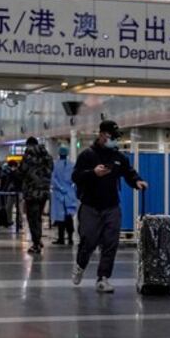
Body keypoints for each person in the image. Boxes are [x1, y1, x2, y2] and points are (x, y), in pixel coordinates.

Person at [72, 120, 148, 293]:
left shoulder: (118, 157)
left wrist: (137, 181)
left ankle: (103, 278)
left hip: (112, 206)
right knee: (89, 241)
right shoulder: (87, 155)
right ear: (101, 135)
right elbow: (76, 176)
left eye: (115, 137)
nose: (113, 140)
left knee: (110, 242)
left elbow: (129, 172)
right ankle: (80, 265)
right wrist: (93, 173)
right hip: (90, 206)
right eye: (110, 136)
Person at [17, 137, 53, 254]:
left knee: (32, 218)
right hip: (44, 191)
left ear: (28, 145)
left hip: (31, 192)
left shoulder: (28, 155)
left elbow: (22, 171)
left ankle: (36, 243)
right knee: (38, 217)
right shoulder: (47, 156)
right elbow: (51, 170)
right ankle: (38, 239)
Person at [51, 146, 77, 246]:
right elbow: (74, 179)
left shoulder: (55, 165)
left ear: (59, 153)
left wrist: (60, 188)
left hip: (59, 193)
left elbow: (53, 179)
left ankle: (61, 238)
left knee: (60, 218)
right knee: (68, 215)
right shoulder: (71, 165)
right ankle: (70, 238)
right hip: (69, 192)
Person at [0, 160, 20, 228]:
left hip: (14, 191)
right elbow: (4, 179)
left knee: (16, 208)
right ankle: (8, 221)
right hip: (8, 192)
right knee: (7, 207)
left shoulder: (17, 172)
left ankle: (15, 222)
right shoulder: (6, 171)